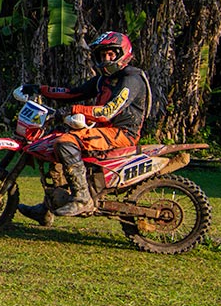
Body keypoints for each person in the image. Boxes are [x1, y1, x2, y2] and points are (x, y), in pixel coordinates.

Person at [17, 31, 152, 224]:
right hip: (103, 129)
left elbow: (108, 110)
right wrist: (39, 89)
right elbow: (73, 92)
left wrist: (73, 110)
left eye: (111, 55)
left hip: (122, 133)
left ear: (122, 53)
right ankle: (49, 206)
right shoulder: (102, 80)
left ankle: (83, 198)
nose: (106, 59)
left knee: (65, 143)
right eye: (102, 55)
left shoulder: (131, 78)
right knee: (52, 142)